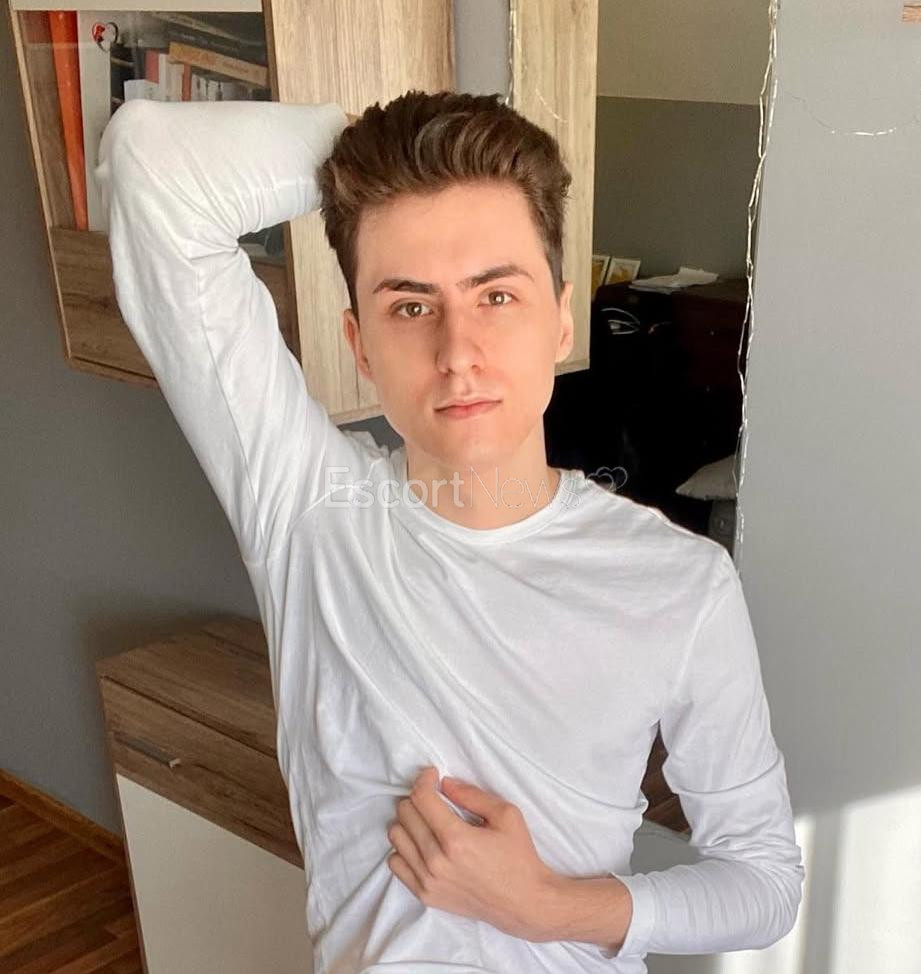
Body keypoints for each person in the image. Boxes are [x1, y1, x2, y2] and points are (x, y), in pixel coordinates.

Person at [94, 89, 804, 974]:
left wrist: (545, 907)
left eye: (496, 295)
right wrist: (365, 148)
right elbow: (150, 162)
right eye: (410, 306)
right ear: (359, 343)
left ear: (562, 318)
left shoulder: (681, 583)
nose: (457, 351)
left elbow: (765, 881)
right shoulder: (309, 512)